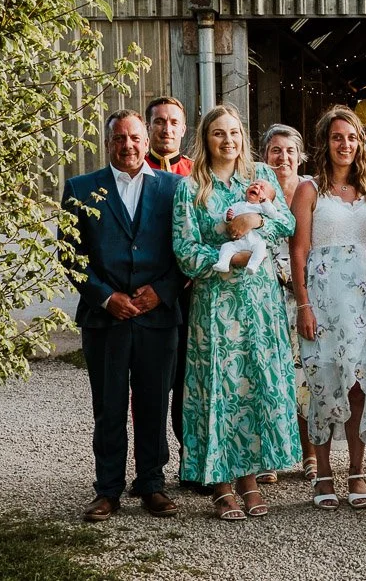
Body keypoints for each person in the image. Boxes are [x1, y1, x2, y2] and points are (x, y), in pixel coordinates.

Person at [172, 104, 299, 521]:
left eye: (234, 133)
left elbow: (288, 224)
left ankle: (250, 479)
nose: (228, 141)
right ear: (205, 140)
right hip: (217, 304)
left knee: (254, 386)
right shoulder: (191, 188)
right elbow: (186, 252)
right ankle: (222, 485)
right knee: (220, 389)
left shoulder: (261, 177)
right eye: (218, 134)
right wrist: (230, 259)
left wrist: (253, 224)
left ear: (243, 138)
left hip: (260, 303)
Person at [61, 109, 183, 522]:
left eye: (134, 138)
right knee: (108, 406)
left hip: (156, 317)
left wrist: (161, 293)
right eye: (119, 139)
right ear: (108, 142)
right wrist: (105, 297)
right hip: (105, 319)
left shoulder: (175, 188)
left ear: (147, 142)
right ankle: (107, 489)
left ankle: (151, 484)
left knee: (154, 404)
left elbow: (185, 250)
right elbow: (69, 256)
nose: (128, 145)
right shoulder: (81, 188)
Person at [290, 106, 366, 510]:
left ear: (359, 143)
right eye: (336, 137)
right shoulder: (310, 189)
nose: (345, 144)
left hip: (364, 297)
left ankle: (358, 472)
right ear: (325, 143)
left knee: (361, 383)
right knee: (323, 381)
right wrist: (304, 304)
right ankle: (324, 472)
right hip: (323, 297)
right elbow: (299, 249)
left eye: (351, 138)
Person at [144, 96, 201, 493]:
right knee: (150, 385)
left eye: (173, 123)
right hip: (149, 293)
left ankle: (192, 463)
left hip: (189, 293)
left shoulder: (197, 175)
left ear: (184, 129)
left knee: (188, 382)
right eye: (159, 122)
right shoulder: (136, 171)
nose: (166, 129)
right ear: (149, 127)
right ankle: (151, 469)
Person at [260, 123, 318, 483]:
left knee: (305, 373)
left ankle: (309, 452)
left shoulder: (311, 189)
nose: (283, 157)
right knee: (268, 374)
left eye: (289, 151)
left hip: (303, 295)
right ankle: (267, 456)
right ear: (265, 155)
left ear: (300, 156)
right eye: (275, 150)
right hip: (264, 295)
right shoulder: (255, 190)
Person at [211, 180, 280, 273]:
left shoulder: (262, 207)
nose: (256, 186)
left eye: (262, 188)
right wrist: (228, 216)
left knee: (261, 247)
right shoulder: (238, 205)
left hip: (254, 241)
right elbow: (227, 213)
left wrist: (266, 203)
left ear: (269, 199)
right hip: (239, 241)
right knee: (226, 246)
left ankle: (253, 265)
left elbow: (273, 214)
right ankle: (223, 263)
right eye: (254, 184)